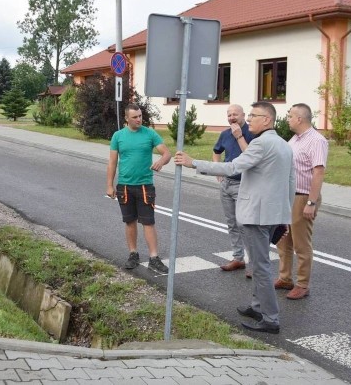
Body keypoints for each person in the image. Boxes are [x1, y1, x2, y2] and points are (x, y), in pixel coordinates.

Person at [174, 102, 295, 334]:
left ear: (267, 120)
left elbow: (233, 168)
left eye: (253, 116)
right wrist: (284, 216)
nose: (249, 119)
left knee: (260, 268)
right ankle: (257, 307)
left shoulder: (261, 144)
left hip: (256, 216)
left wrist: (194, 163)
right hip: (271, 214)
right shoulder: (283, 145)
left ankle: (270, 318)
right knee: (260, 263)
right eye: (248, 115)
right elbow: (290, 182)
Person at [106, 103, 171, 274]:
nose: (139, 119)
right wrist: (109, 185)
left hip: (144, 186)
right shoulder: (118, 136)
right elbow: (112, 162)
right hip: (125, 186)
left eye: (140, 116)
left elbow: (167, 153)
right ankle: (133, 254)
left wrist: (160, 161)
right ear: (126, 118)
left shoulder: (149, 134)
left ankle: (154, 258)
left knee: (148, 222)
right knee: (129, 222)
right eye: (135, 117)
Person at [275, 103, 329, 300]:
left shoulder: (316, 141)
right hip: (289, 196)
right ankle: (285, 278)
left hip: (303, 196)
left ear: (299, 119)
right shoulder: (295, 139)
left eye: (290, 116)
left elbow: (319, 172)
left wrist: (311, 202)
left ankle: (303, 284)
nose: (288, 119)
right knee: (283, 239)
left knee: (301, 243)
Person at [212, 104, 254, 273]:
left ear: (243, 115)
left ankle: (253, 264)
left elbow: (252, 156)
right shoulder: (224, 134)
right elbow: (216, 151)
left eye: (235, 114)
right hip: (227, 184)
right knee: (231, 223)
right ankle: (238, 258)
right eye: (229, 115)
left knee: (244, 224)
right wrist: (217, 168)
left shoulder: (252, 133)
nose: (232, 118)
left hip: (244, 184)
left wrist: (239, 136)